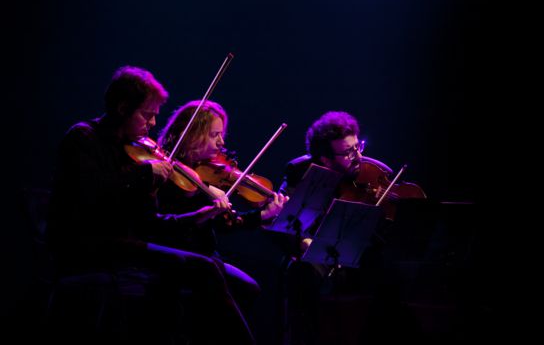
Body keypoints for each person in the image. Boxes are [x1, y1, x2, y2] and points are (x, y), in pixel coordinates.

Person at [46, 66, 255, 344]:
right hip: (91, 243)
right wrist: (143, 175)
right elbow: (91, 196)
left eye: (156, 114)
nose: (154, 123)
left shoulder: (138, 153)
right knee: (201, 270)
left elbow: (150, 221)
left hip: (129, 244)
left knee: (204, 272)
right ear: (122, 108)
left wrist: (197, 216)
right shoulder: (83, 138)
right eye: (147, 114)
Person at [279, 110, 425, 345]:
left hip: (362, 253)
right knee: (300, 272)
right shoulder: (300, 173)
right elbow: (285, 227)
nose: (358, 157)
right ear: (326, 159)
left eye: (358, 147)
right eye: (348, 152)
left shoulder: (371, 172)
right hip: (318, 253)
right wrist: (305, 241)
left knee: (392, 276)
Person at [155, 99, 288, 315]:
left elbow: (226, 224)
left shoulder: (209, 173)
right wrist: (204, 196)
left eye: (221, 134)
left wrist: (264, 214)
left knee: (249, 289)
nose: (221, 143)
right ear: (193, 135)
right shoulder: (168, 171)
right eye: (214, 135)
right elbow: (164, 223)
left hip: (206, 255)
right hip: (179, 256)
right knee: (240, 292)